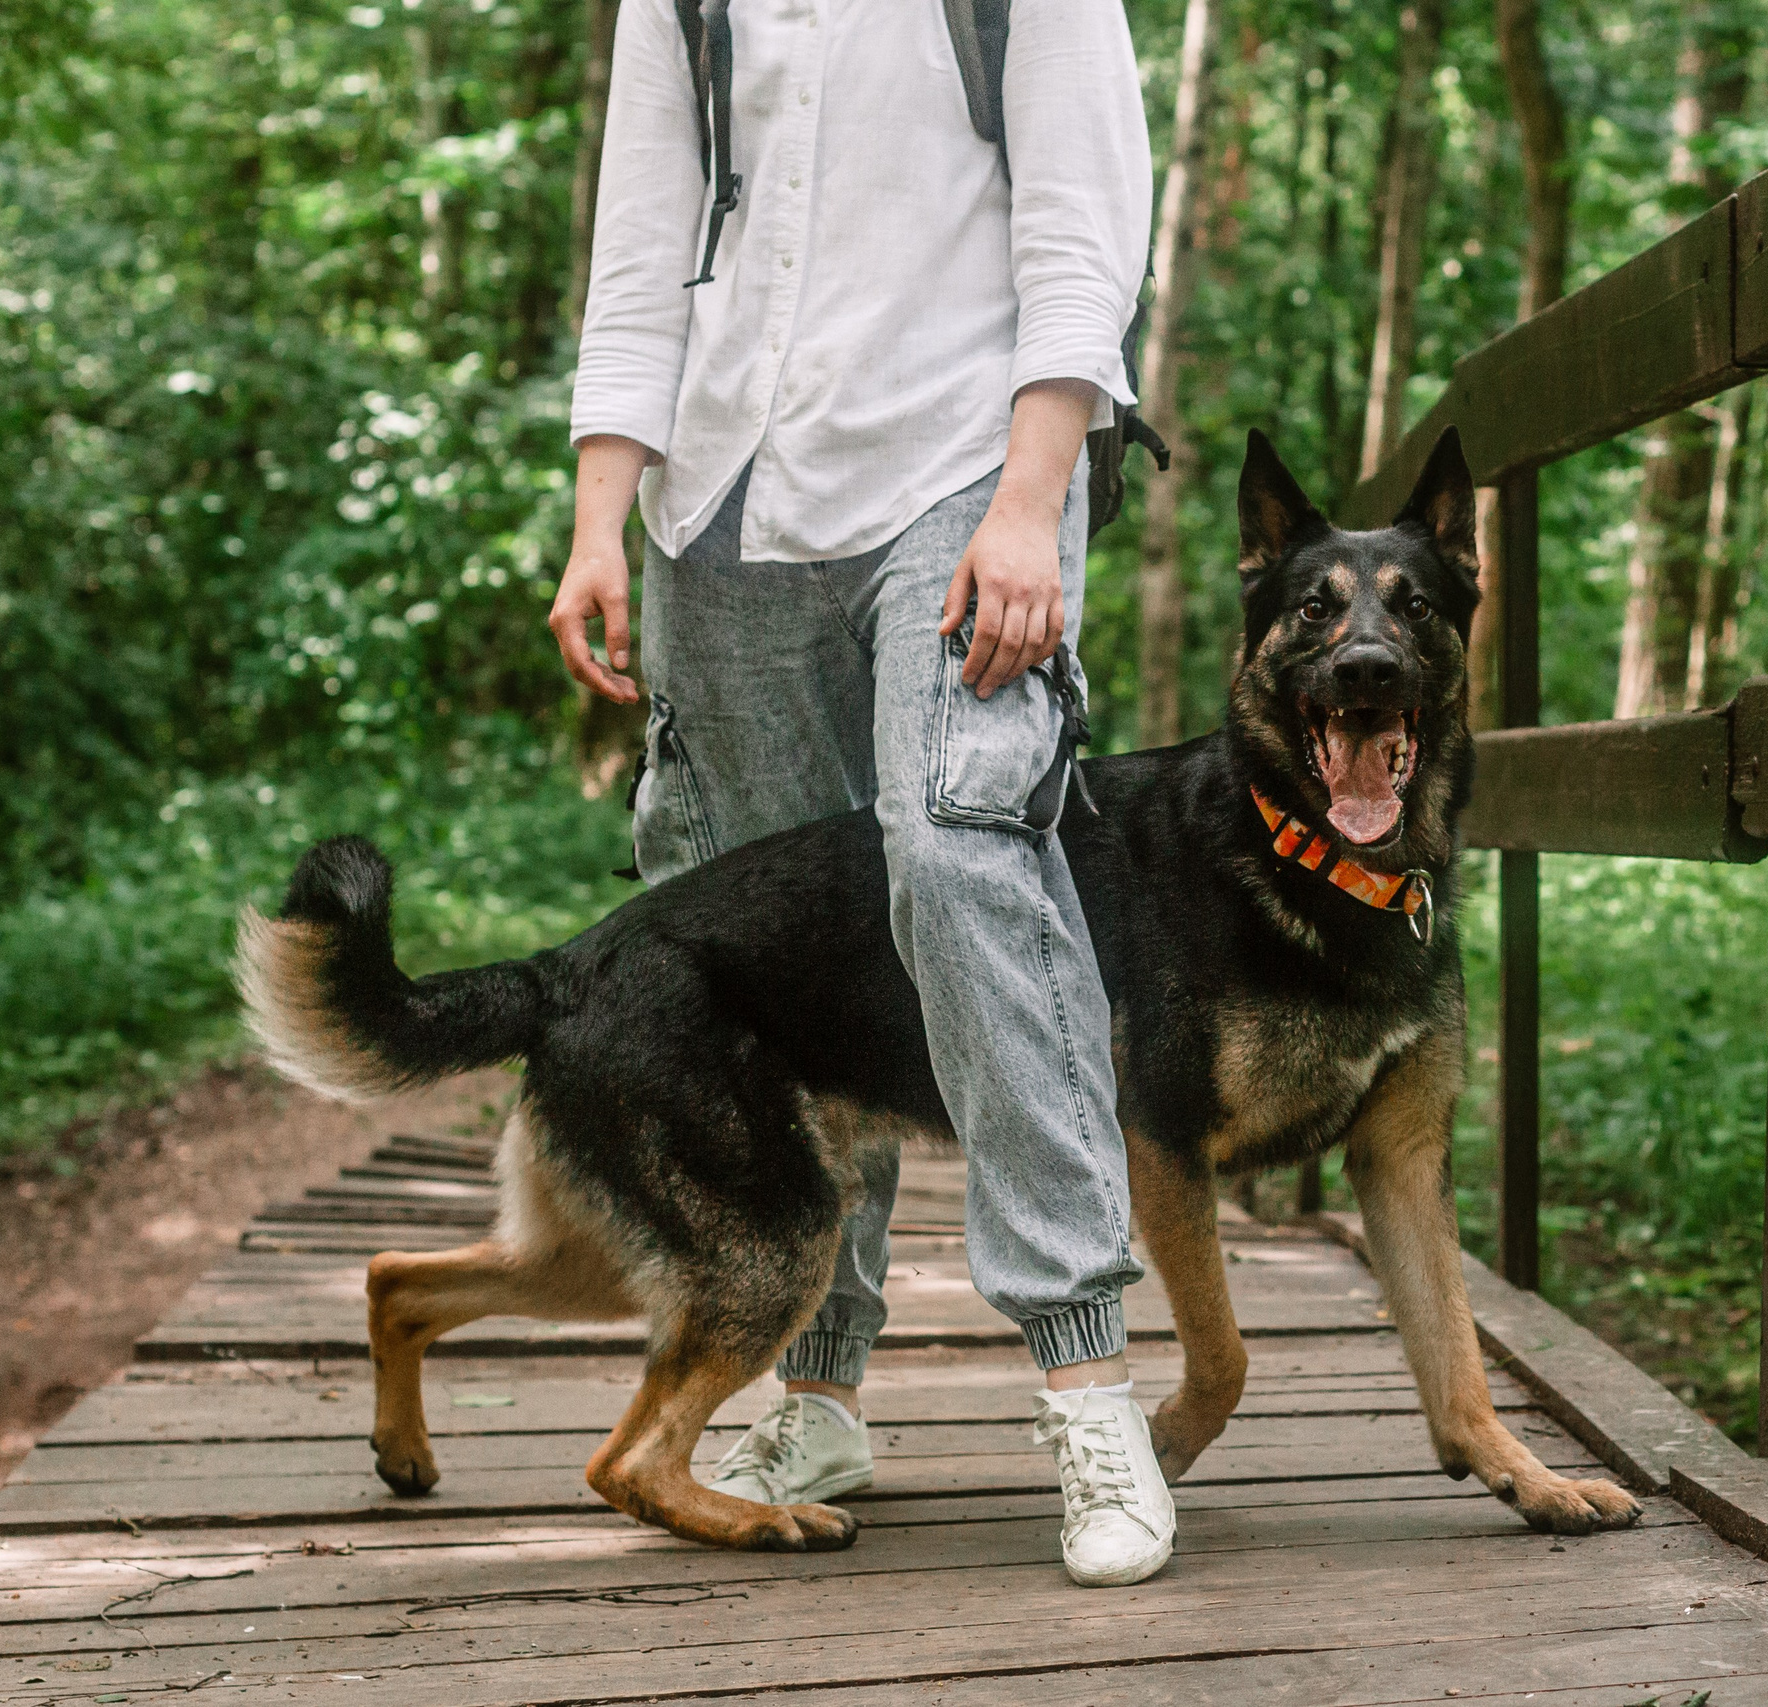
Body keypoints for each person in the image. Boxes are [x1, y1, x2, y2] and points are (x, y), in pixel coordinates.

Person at [547, 0, 1170, 1587]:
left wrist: (1037, 501)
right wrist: (598, 511)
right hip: (726, 486)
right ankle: (816, 1395)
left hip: (964, 460)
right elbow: (644, 232)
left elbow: (1087, 223)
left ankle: (1090, 1383)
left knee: (960, 851)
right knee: (766, 934)